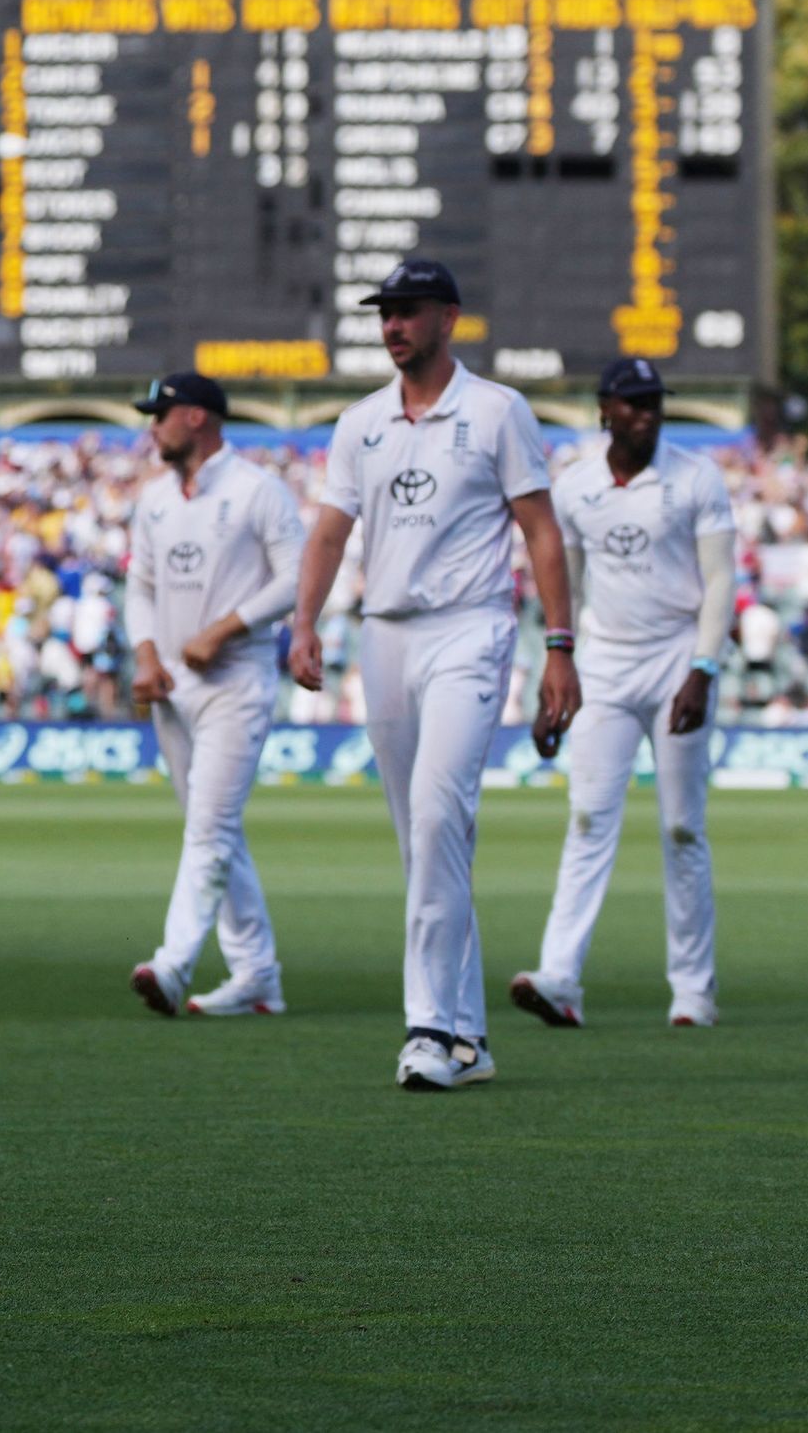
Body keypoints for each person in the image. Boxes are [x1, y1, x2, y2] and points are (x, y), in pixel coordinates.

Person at [289, 260, 580, 1090]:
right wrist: (305, 622)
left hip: (470, 630)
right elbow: (329, 534)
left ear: (448, 318)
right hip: (384, 636)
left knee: (434, 817)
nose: (392, 325)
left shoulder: (496, 411)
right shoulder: (359, 422)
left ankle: (428, 1029)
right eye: (385, 313)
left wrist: (559, 645)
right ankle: (473, 1039)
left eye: (408, 311)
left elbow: (542, 533)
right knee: (428, 844)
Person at [510, 358, 735, 1029]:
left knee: (681, 825)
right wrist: (554, 673)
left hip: (675, 656)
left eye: (654, 403)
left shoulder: (696, 476)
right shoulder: (576, 486)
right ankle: (559, 977)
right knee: (586, 819)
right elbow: (566, 592)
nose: (646, 414)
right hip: (604, 661)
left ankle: (693, 990)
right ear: (604, 408)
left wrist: (704, 667)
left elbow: (719, 580)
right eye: (632, 404)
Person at [124, 372, 305, 1017]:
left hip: (236, 680)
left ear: (197, 418)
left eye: (160, 415)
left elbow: (296, 580)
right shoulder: (153, 499)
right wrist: (146, 653)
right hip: (172, 686)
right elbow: (139, 585)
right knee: (215, 829)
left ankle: (172, 965)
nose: (152, 427)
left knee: (209, 827)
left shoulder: (259, 490)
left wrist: (225, 629)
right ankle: (257, 973)